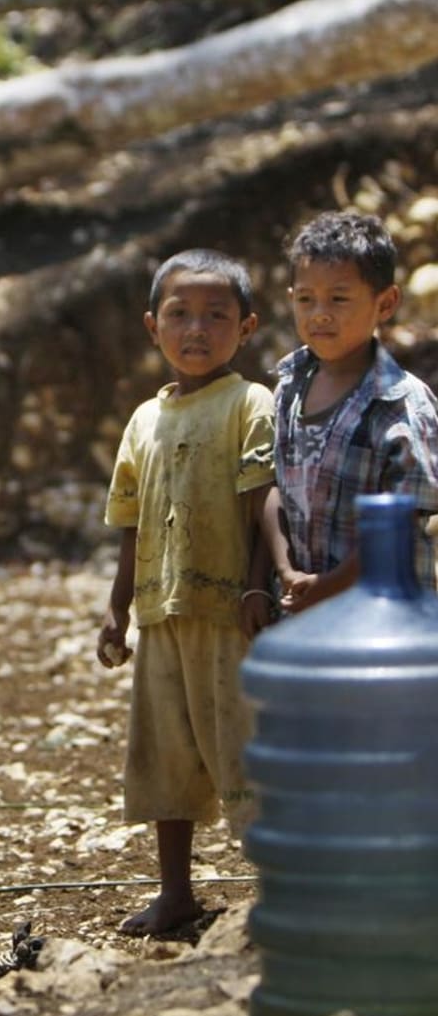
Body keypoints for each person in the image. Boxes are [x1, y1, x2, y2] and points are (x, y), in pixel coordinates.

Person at [96, 249, 275, 936]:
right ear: (153, 326)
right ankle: (176, 892)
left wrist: (259, 585)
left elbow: (264, 505)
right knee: (165, 756)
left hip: (232, 615)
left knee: (245, 750)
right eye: (180, 314)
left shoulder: (249, 404)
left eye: (216, 316)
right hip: (161, 614)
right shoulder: (144, 420)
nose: (196, 329)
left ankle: (277, 889)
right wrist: (117, 611)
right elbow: (130, 522)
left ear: (247, 327)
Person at [260, 210, 438, 611]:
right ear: (291, 300)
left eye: (339, 298)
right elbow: (271, 485)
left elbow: (402, 527)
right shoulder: (289, 386)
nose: (319, 312)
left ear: (386, 303)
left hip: (384, 622)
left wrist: (327, 587)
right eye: (306, 299)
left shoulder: (401, 403)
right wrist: (283, 571)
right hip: (300, 610)